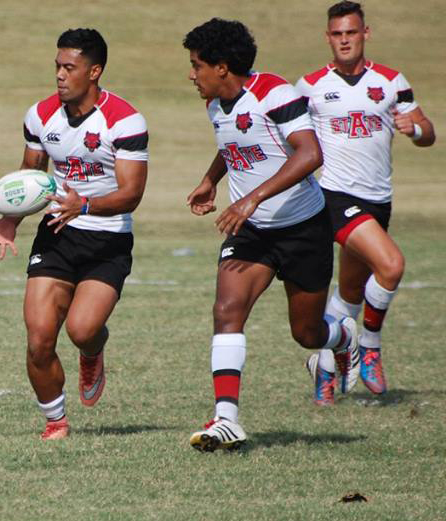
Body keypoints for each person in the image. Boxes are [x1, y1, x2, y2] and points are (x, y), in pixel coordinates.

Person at [182, 18, 361, 451]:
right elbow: (237, 142)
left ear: (222, 67)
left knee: (306, 333)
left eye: (197, 65)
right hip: (253, 232)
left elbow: (309, 152)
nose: (192, 74)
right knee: (227, 309)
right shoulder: (214, 106)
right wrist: (211, 178)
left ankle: (342, 337)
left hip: (304, 229)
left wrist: (252, 197)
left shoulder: (275, 93)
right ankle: (226, 419)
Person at [0, 28, 149, 440]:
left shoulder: (125, 121)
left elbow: (131, 194)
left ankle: (93, 351)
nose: (59, 74)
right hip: (57, 234)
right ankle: (56, 420)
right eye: (57, 65)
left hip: (107, 240)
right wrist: (8, 220)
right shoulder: (39, 116)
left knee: (82, 330)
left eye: (69, 67)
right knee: (39, 340)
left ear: (94, 71)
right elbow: (31, 178)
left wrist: (85, 205)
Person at [296, 1, 436, 405]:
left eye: (351, 33)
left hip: (379, 200)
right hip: (335, 197)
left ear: (365, 33)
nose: (344, 40)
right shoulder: (310, 86)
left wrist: (417, 129)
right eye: (337, 34)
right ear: (328, 37)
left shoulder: (392, 82)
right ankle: (370, 347)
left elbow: (427, 133)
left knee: (352, 292)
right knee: (391, 265)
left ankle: (323, 364)